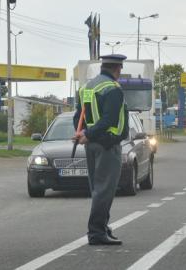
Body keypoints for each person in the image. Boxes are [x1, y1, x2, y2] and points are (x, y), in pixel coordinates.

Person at [73, 54, 129, 246]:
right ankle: (96, 232)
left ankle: (103, 228)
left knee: (98, 189)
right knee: (105, 190)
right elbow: (110, 120)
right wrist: (89, 133)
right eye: (120, 69)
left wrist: (81, 133)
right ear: (117, 69)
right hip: (107, 145)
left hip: (91, 145)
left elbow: (78, 116)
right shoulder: (112, 89)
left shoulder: (88, 87)